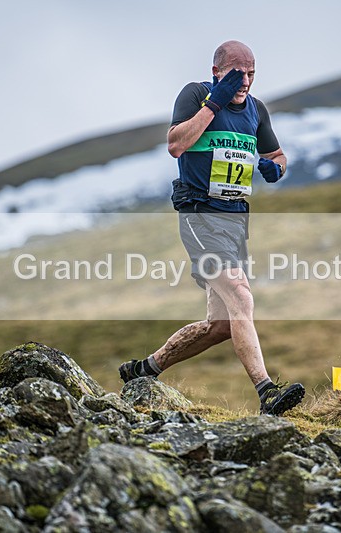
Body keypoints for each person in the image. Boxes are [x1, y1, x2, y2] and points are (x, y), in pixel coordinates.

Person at [118, 41, 305, 416]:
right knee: (241, 295)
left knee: (220, 325)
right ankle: (267, 392)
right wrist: (213, 105)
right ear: (217, 70)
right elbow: (176, 145)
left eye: (251, 73)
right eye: (237, 73)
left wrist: (276, 168)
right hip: (199, 214)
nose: (245, 81)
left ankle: (145, 369)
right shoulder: (195, 95)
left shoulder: (256, 110)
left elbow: (277, 155)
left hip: (234, 220)